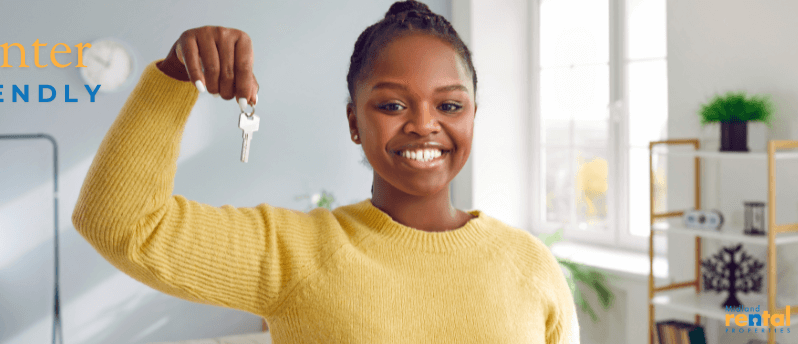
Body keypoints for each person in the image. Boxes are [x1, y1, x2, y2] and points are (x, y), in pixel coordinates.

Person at [72, 1, 580, 342]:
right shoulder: (295, 254)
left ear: (472, 115)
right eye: (392, 105)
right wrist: (175, 77)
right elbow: (120, 223)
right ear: (354, 122)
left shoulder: (529, 265)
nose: (424, 125)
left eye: (449, 106)